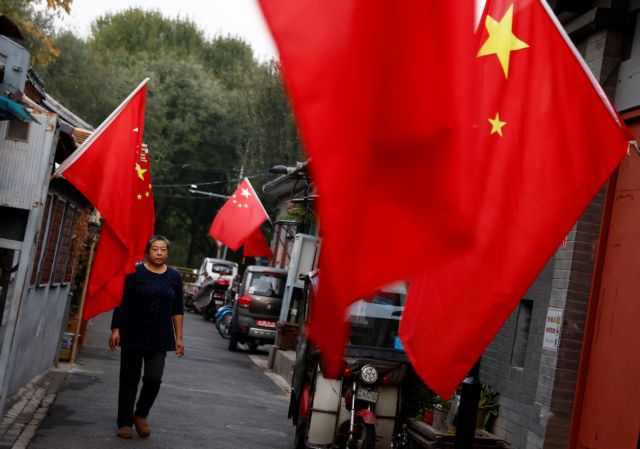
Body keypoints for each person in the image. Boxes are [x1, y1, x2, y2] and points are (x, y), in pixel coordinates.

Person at [108, 235, 185, 439]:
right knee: (129, 379)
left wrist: (179, 337)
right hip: (133, 332)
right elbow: (122, 302)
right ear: (147, 252)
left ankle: (141, 414)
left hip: (160, 337)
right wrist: (116, 329)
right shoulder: (134, 273)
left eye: (163, 250)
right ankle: (124, 422)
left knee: (154, 378)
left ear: (167, 253)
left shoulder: (175, 277)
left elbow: (178, 309)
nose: (159, 253)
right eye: (155, 249)